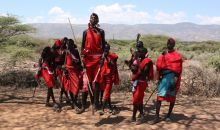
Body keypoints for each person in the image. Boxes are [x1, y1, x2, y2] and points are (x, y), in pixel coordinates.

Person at [152, 38, 183, 124]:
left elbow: (178, 70)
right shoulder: (163, 54)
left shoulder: (177, 56)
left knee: (172, 98)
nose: (169, 45)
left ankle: (168, 115)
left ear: (173, 45)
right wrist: (162, 56)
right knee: (159, 97)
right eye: (168, 43)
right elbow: (158, 66)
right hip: (164, 79)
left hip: (172, 79)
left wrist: (175, 80)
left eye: (171, 43)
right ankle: (157, 117)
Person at [81, 13, 106, 110]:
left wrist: (103, 58)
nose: (93, 19)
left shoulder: (101, 32)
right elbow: (83, 47)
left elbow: (103, 47)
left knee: (96, 82)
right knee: (87, 82)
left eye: (95, 18)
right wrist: (82, 58)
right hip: (87, 60)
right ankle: (85, 104)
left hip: (98, 60)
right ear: (89, 19)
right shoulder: (85, 32)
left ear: (98, 20)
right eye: (92, 18)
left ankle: (95, 103)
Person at [130, 46, 154, 124]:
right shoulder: (139, 60)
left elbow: (144, 73)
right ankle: (134, 116)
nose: (139, 53)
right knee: (137, 100)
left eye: (141, 52)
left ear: (145, 53)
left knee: (136, 100)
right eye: (139, 52)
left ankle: (142, 116)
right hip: (136, 82)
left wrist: (138, 67)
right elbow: (133, 69)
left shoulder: (147, 61)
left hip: (141, 83)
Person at [99, 43, 119, 115]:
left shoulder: (112, 55)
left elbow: (112, 63)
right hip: (103, 77)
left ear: (109, 49)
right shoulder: (102, 56)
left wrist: (107, 57)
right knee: (107, 93)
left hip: (109, 78)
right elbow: (101, 65)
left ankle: (102, 109)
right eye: (105, 49)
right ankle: (110, 107)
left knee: (106, 92)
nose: (106, 50)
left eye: (107, 49)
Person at [62, 39, 82, 110]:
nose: (68, 45)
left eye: (69, 44)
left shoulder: (76, 51)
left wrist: (77, 62)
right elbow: (62, 62)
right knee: (69, 86)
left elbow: (79, 62)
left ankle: (75, 101)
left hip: (75, 71)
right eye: (67, 44)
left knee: (76, 86)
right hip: (68, 71)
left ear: (72, 44)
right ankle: (73, 103)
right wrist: (63, 67)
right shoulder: (65, 52)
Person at [52, 39, 70, 104]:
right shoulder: (53, 52)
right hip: (58, 70)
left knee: (64, 84)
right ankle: (63, 97)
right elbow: (54, 63)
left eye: (60, 46)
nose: (59, 47)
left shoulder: (63, 51)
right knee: (62, 84)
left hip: (64, 70)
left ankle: (64, 97)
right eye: (58, 46)